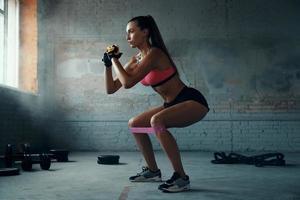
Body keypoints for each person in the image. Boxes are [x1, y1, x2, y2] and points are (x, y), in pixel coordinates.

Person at [102, 15, 209, 193]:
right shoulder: (136, 60)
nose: (127, 37)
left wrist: (115, 60)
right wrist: (108, 65)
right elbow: (111, 88)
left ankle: (181, 178)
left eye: (131, 31)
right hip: (171, 104)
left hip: (191, 100)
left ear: (145, 32)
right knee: (134, 124)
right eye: (126, 33)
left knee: (156, 121)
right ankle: (152, 171)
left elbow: (128, 83)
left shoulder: (155, 54)